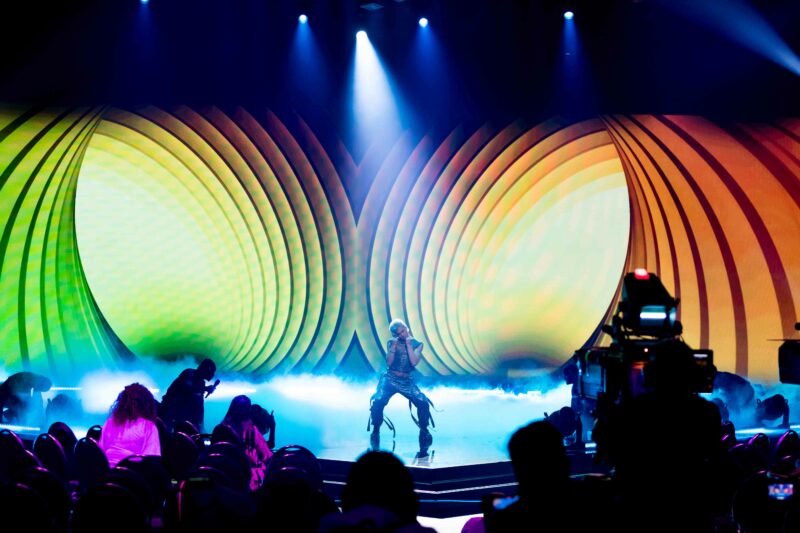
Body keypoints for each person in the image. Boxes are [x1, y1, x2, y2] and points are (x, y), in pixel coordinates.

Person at [369, 319, 433, 453]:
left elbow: (414, 362)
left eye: (403, 331)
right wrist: (393, 347)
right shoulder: (392, 343)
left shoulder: (417, 344)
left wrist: (409, 345)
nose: (403, 334)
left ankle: (424, 431)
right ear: (395, 335)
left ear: (407, 328)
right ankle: (375, 431)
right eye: (398, 334)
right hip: (390, 379)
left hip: (406, 381)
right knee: (378, 400)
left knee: (422, 402)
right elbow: (389, 363)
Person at [99, 383, 161, 467]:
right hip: (133, 472)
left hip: (108, 471)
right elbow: (151, 460)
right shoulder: (148, 427)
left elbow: (100, 453)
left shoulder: (109, 423)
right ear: (146, 404)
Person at [218, 395, 273, 490]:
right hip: (250, 480)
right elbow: (267, 456)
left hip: (225, 476)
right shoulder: (252, 431)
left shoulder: (220, 429)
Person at [159, 358, 218, 432]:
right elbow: (186, 388)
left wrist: (201, 425)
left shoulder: (201, 383)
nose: (212, 375)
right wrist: (205, 389)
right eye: (211, 372)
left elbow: (199, 405)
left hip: (182, 415)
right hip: (170, 410)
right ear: (205, 369)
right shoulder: (189, 373)